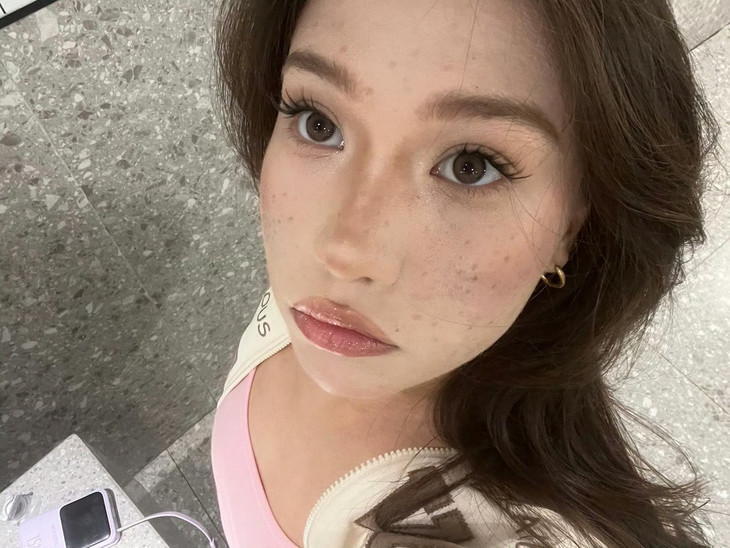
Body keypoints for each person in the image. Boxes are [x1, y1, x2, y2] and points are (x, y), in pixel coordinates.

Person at [209, 0, 720, 546]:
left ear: (573, 227)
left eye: (470, 167)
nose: (343, 252)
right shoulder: (319, 311)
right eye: (319, 123)